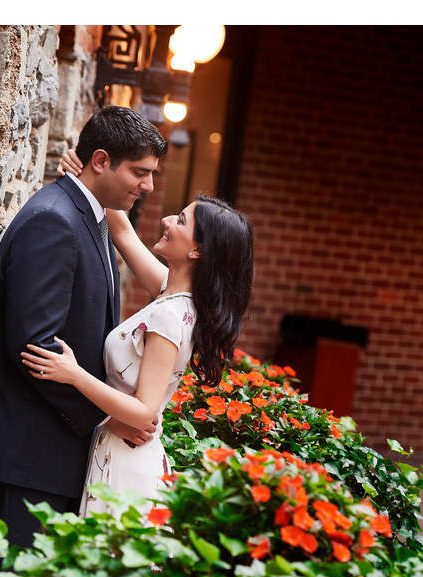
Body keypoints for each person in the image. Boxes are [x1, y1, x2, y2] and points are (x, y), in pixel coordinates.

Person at [0, 106, 168, 550]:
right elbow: (36, 348)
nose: (148, 185)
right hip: (29, 456)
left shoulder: (92, 217)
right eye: (140, 171)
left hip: (52, 456)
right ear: (99, 160)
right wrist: (109, 417)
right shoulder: (54, 221)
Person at [20, 149, 254, 516]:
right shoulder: (173, 293)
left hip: (126, 462)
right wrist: (89, 178)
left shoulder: (170, 317)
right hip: (118, 449)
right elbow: (124, 234)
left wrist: (74, 375)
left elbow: (144, 413)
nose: (165, 220)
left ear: (197, 251)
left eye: (180, 220)